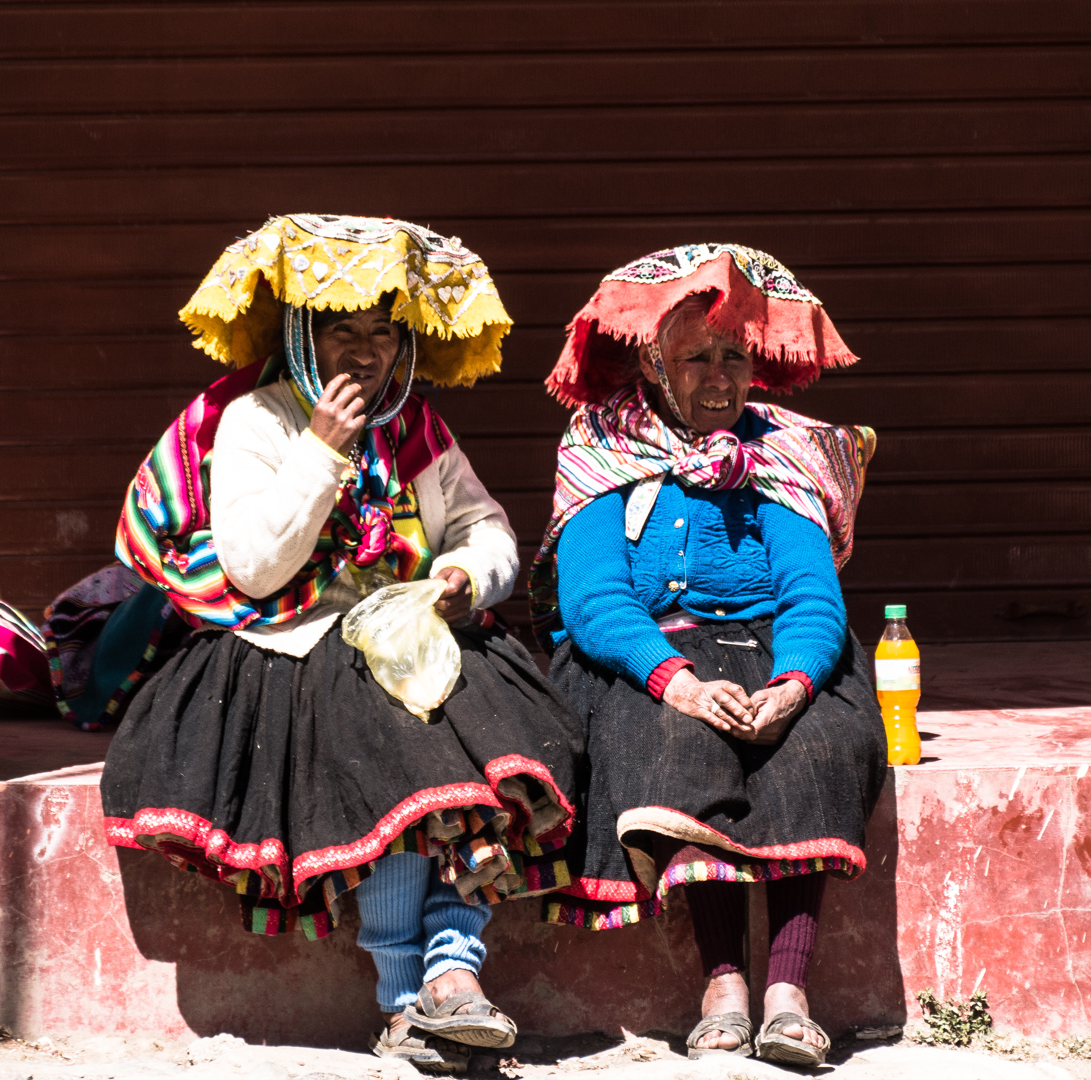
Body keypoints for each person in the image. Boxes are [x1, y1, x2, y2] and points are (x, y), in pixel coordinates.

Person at [100, 214, 582, 1074]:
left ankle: (451, 976)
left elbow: (481, 524)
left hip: (411, 633)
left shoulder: (415, 428)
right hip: (294, 645)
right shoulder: (255, 421)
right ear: (301, 336)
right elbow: (254, 567)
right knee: (402, 759)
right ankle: (410, 997)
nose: (365, 353)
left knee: (501, 732)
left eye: (382, 333)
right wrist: (321, 451)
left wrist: (464, 576)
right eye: (341, 331)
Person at [528, 245, 885, 1066]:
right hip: (647, 654)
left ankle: (788, 993)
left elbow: (811, 594)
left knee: (820, 744)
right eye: (697, 357)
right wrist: (676, 682)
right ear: (653, 365)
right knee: (682, 743)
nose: (720, 375)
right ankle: (722, 982)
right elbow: (593, 601)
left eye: (735, 355)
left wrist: (796, 685)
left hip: (772, 650)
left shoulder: (783, 453)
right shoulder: (600, 447)